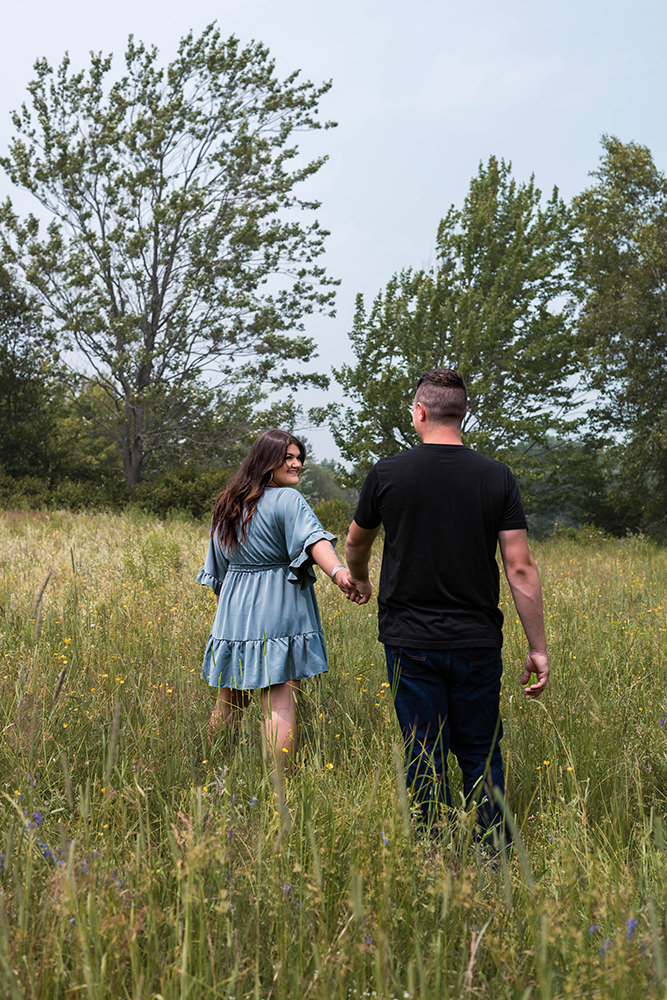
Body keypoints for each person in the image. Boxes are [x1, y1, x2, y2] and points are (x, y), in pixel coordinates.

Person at [344, 368, 550, 839]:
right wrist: (537, 647)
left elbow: (356, 542)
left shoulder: (388, 473)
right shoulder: (497, 478)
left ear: (420, 412)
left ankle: (433, 850)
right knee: (481, 749)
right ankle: (492, 849)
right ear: (464, 413)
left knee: (422, 748)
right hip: (476, 640)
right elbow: (520, 566)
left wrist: (357, 577)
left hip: (409, 640)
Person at [198, 429, 356, 763]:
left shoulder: (226, 503)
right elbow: (314, 541)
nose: (297, 464)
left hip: (233, 610)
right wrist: (339, 572)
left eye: (299, 458)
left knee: (229, 703)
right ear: (267, 460)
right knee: (278, 701)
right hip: (277, 604)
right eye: (289, 458)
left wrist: (229, 616)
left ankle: (210, 769)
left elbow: (217, 571)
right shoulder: (288, 500)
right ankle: (279, 790)